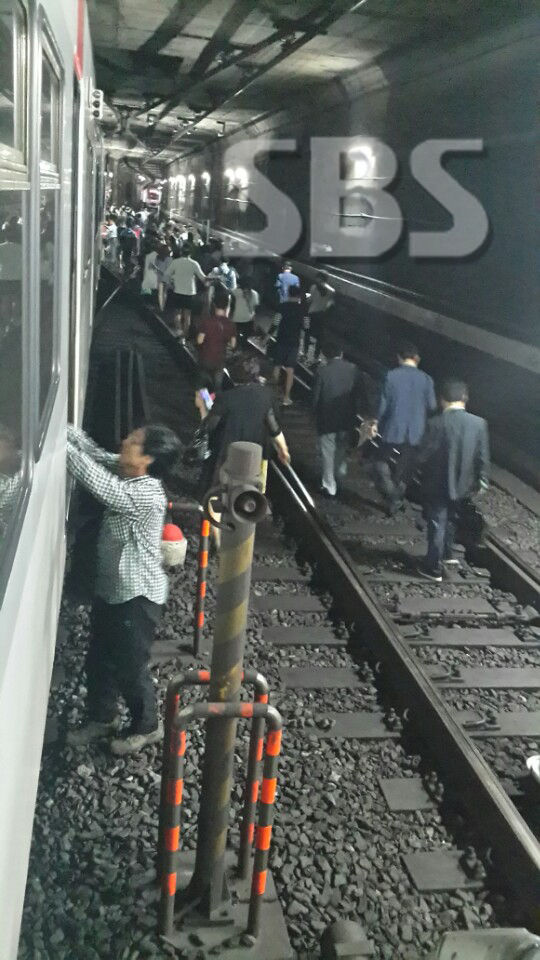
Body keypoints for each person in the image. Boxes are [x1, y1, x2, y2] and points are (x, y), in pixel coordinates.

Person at [65, 423, 182, 754]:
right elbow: (97, 455)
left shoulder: (147, 494)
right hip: (113, 591)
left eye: (133, 441)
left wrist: (56, 444)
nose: (124, 442)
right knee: (99, 657)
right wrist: (66, 431)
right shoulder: (130, 473)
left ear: (147, 459)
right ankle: (102, 718)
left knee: (130, 666)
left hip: (136, 597)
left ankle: (148, 726)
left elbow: (98, 482)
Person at [197, 354, 290, 547]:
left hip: (226, 454)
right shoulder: (266, 396)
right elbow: (274, 428)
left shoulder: (226, 398)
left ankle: (218, 540)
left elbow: (209, 427)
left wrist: (202, 408)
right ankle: (243, 535)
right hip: (256, 456)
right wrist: (283, 449)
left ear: (232, 375)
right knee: (250, 496)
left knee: (215, 496)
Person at [416, 380, 490, 581]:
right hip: (464, 485)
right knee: (452, 520)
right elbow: (482, 457)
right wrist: (482, 482)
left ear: (442, 400)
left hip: (437, 484)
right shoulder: (479, 423)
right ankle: (448, 556)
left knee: (437, 523)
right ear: (465, 398)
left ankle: (432, 568)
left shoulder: (435, 423)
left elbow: (423, 455)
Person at [371, 342, 437, 515]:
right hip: (416, 431)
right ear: (417, 359)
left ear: (399, 358)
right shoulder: (427, 379)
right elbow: (432, 406)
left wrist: (375, 422)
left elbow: (383, 404)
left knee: (380, 461)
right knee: (406, 466)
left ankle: (392, 494)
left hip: (393, 427)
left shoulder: (391, 376)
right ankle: (397, 495)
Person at [313, 346, 362, 498]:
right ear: (341, 354)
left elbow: (316, 397)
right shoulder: (353, 369)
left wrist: (314, 414)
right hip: (347, 418)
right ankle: (339, 472)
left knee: (327, 451)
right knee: (341, 448)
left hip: (327, 419)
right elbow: (359, 395)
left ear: (325, 355)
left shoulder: (322, 371)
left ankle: (329, 486)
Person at [196, 287, 236, 390]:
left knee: (202, 385)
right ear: (227, 306)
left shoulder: (207, 321)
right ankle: (216, 399)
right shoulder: (230, 324)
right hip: (220, 360)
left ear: (214, 305)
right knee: (217, 385)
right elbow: (233, 345)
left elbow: (199, 341)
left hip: (205, 358)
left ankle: (205, 399)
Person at [164, 247, 208, 340]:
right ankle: (184, 336)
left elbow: (167, 274)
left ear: (181, 252)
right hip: (190, 292)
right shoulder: (194, 263)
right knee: (187, 315)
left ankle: (179, 331)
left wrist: (171, 284)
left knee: (177, 313)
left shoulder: (175, 262)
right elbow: (203, 278)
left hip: (178, 291)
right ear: (190, 254)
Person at [271, 284, 304, 406]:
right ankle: (286, 397)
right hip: (294, 343)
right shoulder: (302, 310)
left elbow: (275, 322)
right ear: (299, 295)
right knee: (290, 370)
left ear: (289, 293)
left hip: (281, 340)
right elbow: (306, 326)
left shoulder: (282, 307)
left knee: (277, 366)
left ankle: (272, 394)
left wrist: (267, 336)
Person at [303, 272, 335, 363]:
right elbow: (330, 304)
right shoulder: (332, 291)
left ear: (319, 278)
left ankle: (304, 353)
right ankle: (316, 357)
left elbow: (309, 300)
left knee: (307, 333)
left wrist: (306, 295)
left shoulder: (313, 287)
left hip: (310, 314)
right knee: (320, 337)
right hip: (321, 316)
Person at [232, 279, 260, 345]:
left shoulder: (236, 292)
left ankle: (235, 345)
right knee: (246, 335)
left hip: (237, 319)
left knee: (236, 334)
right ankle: (244, 344)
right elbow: (254, 309)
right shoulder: (255, 294)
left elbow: (229, 292)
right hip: (248, 319)